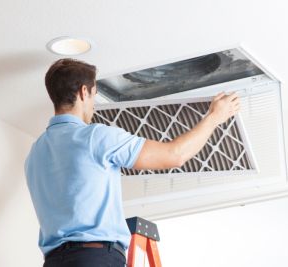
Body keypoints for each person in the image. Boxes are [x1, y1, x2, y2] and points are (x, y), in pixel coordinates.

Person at [24, 58, 240, 267]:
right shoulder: (95, 136)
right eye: (94, 95)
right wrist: (214, 117)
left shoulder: (35, 153)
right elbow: (174, 155)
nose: (94, 106)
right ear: (84, 92)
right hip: (94, 258)